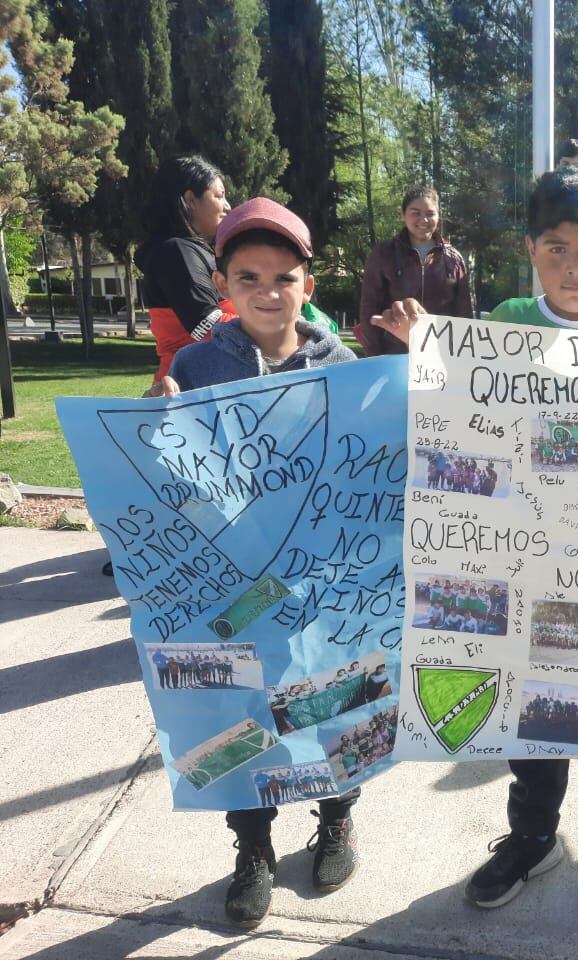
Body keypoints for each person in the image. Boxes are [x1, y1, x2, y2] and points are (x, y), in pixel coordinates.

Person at [374, 167, 578, 930]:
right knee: (530, 719)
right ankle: (533, 837)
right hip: (519, 567)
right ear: (529, 250)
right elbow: (456, 414)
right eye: (555, 248)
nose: (574, 265)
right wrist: (428, 351)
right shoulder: (509, 319)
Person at [147, 198, 360, 928]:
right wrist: (154, 428)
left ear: (309, 279)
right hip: (231, 581)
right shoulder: (197, 364)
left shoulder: (340, 362)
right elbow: (169, 480)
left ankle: (336, 817)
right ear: (222, 283)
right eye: (249, 276)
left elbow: (366, 466)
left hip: (318, 580)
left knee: (330, 700)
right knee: (235, 710)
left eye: (284, 275)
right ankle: (254, 847)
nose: (268, 290)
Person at [136, 155, 234, 381]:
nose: (228, 206)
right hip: (188, 389)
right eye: (219, 196)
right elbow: (205, 325)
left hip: (209, 381)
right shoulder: (176, 252)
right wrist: (276, 324)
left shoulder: (194, 250)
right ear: (190, 199)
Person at [355, 185, 473, 357]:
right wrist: (376, 357)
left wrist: (458, 359)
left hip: (439, 359)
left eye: (430, 214)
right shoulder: (384, 254)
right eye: (415, 213)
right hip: (394, 358)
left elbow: (464, 316)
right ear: (403, 215)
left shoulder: (453, 259)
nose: (423, 220)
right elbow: (369, 310)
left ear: (438, 216)